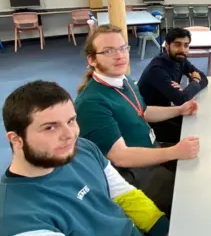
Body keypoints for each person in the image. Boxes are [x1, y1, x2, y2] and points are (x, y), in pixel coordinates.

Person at [0, 81, 169, 236]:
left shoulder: (83, 148)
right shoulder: (19, 220)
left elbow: (126, 196)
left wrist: (166, 230)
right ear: (16, 139)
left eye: (71, 120)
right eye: (50, 127)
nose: (70, 135)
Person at [74, 24, 200, 217]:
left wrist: (179, 109)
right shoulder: (91, 103)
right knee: (193, 198)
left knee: (201, 166)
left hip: (153, 150)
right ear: (92, 59)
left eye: (123, 48)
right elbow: (121, 157)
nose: (119, 55)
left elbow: (143, 111)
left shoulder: (125, 81)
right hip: (136, 173)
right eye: (108, 51)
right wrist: (174, 151)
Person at [138, 28, 208, 143]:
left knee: (201, 122)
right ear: (167, 46)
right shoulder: (157, 69)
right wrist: (194, 81)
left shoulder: (180, 60)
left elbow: (204, 78)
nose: (182, 49)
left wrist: (185, 90)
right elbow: (181, 99)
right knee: (196, 135)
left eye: (186, 45)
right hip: (151, 121)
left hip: (168, 110)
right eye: (177, 45)